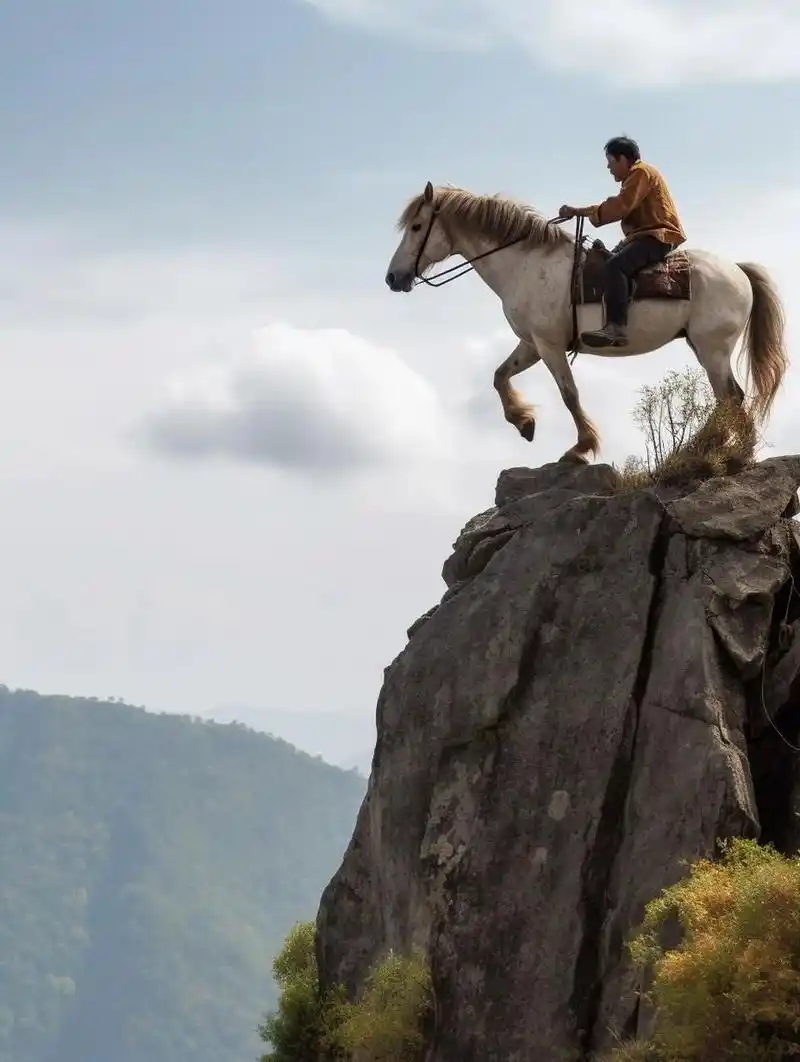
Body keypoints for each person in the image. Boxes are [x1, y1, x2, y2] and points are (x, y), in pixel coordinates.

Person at [558, 137, 686, 348]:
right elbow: (614, 205)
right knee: (604, 256)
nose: (609, 168)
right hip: (643, 237)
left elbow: (620, 206)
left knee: (615, 266)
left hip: (657, 236)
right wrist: (577, 211)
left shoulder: (640, 172)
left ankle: (616, 327)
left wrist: (578, 212)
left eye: (610, 161)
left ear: (623, 159)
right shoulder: (636, 177)